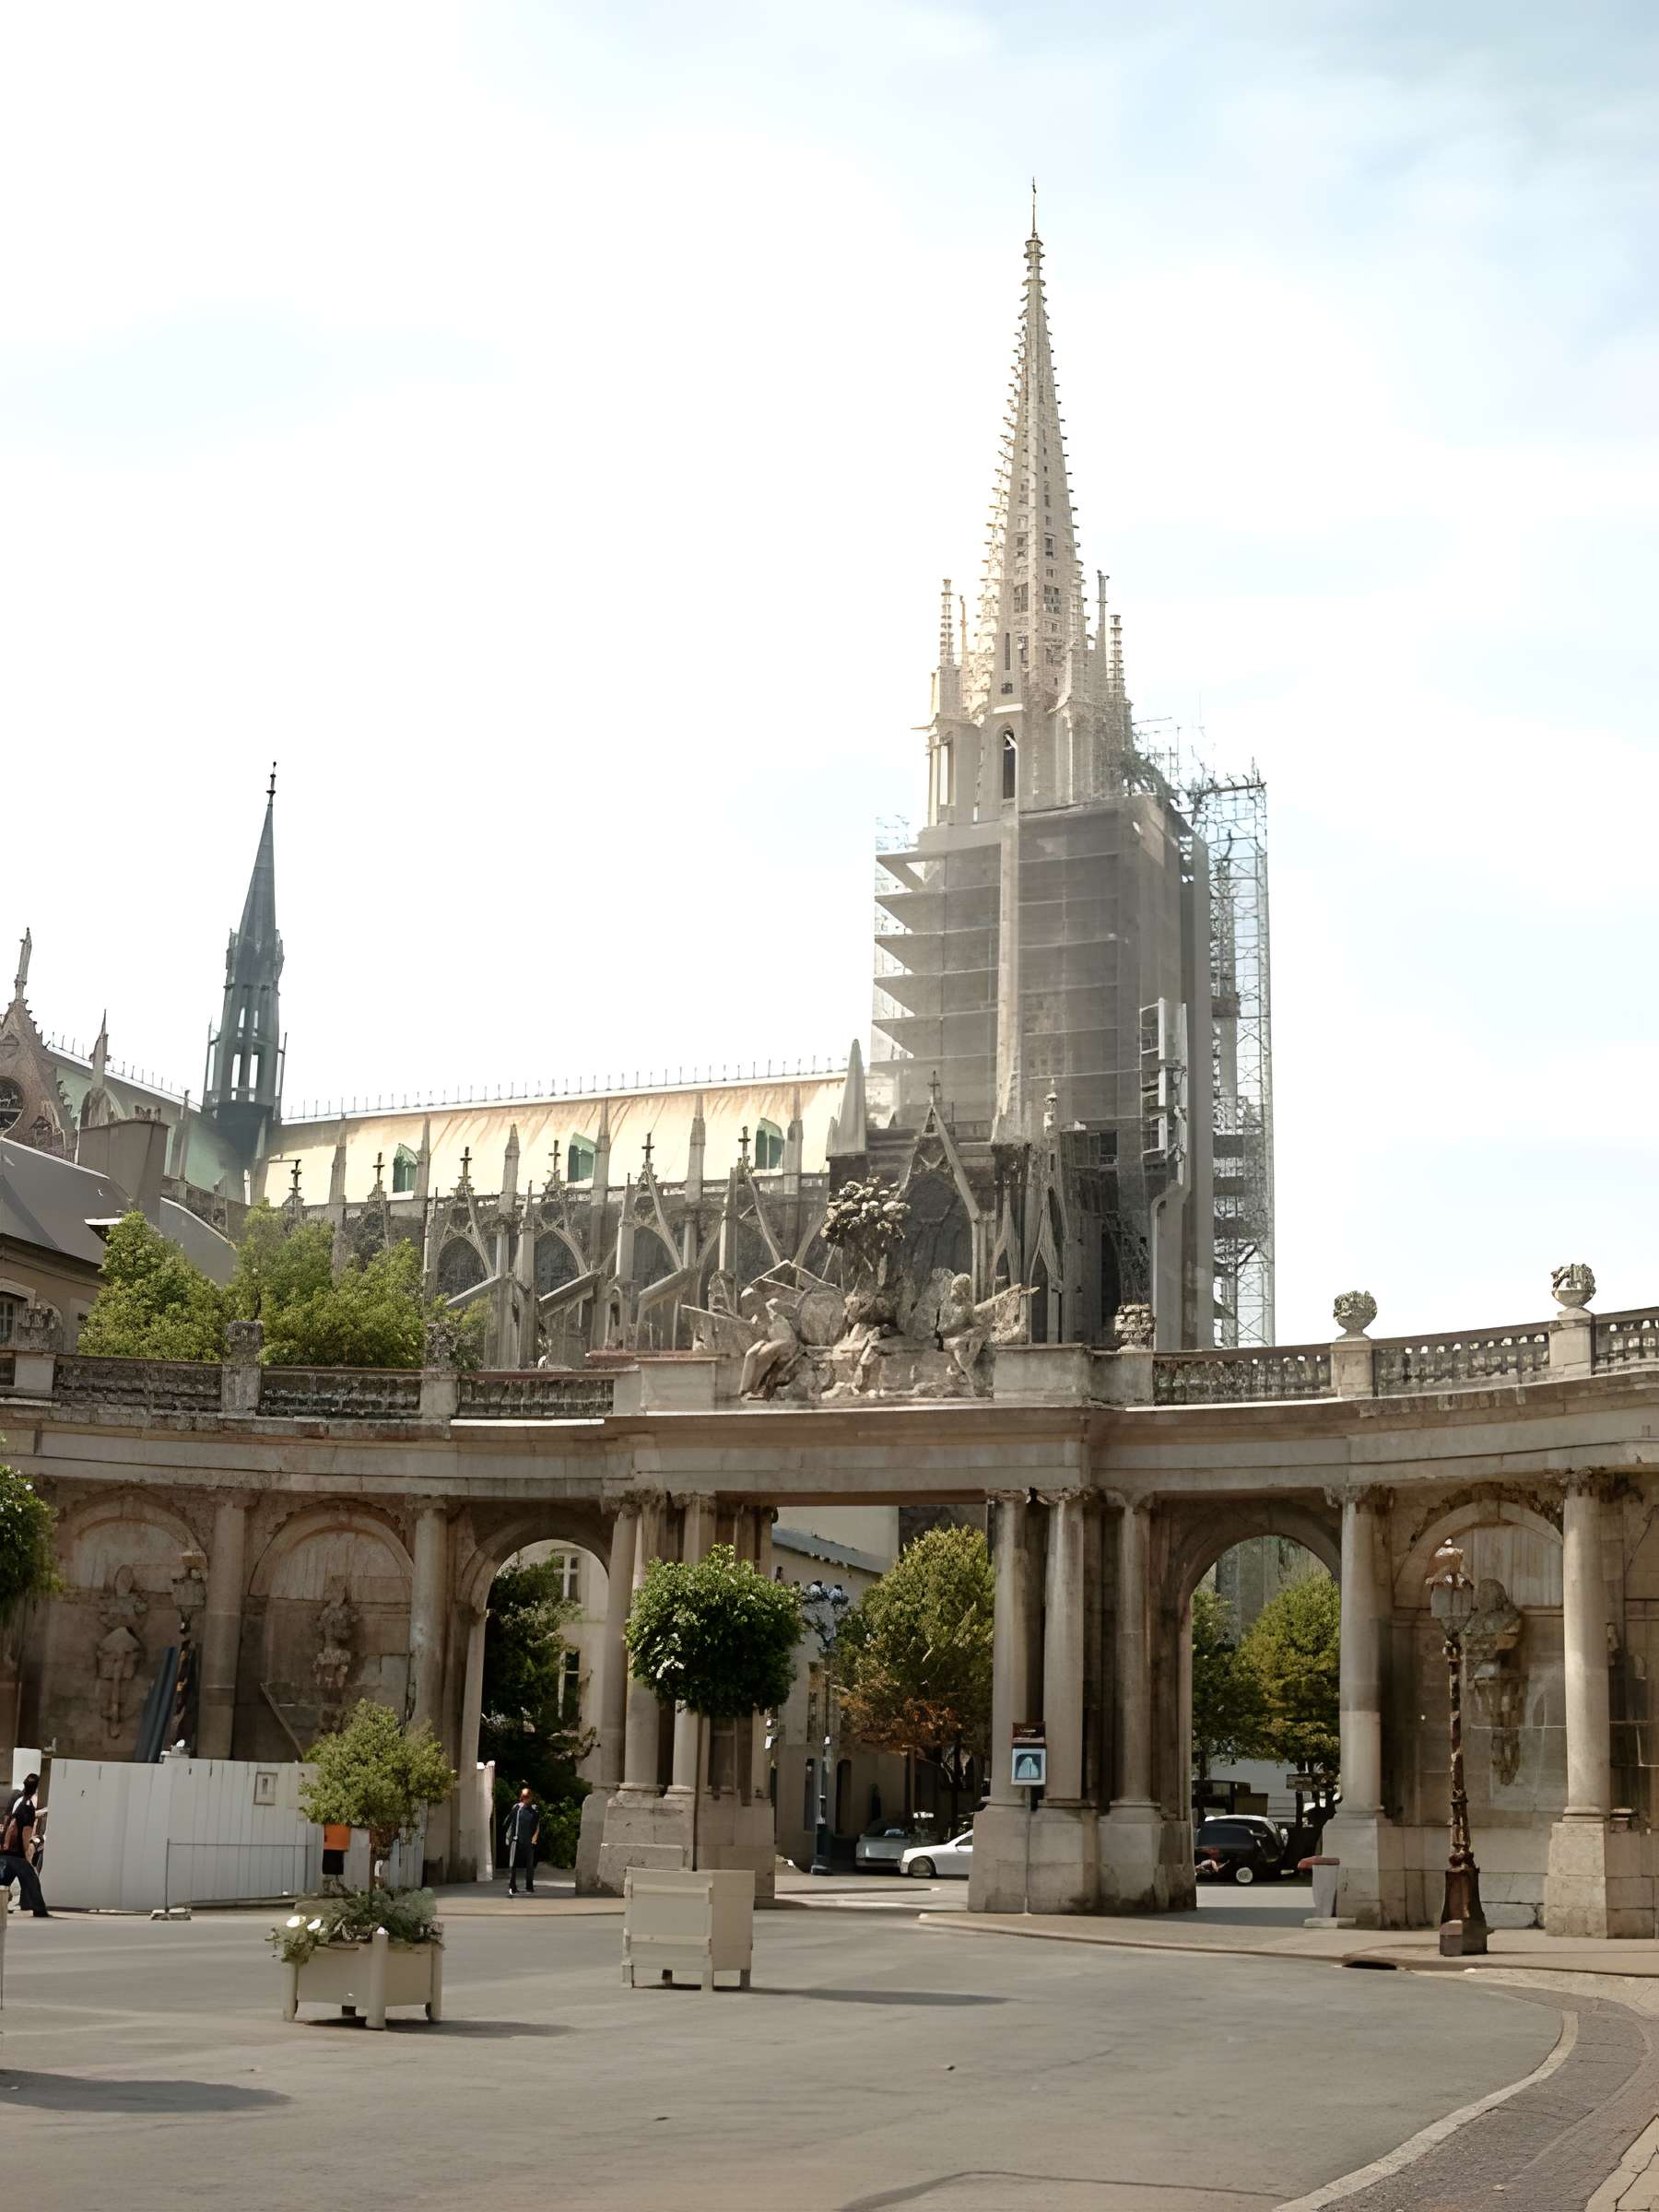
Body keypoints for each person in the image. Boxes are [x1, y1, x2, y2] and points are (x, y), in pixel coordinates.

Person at [3, 1772, 51, 1918]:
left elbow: (10, 1824)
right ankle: (39, 1909)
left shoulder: (19, 1801)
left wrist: (5, 1843)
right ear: (36, 1789)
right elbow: (24, 1830)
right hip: (17, 1851)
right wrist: (24, 1851)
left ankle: (27, 1905)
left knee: (5, 1878)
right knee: (32, 1879)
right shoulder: (28, 1806)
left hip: (10, 1850)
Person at [502, 1785, 540, 1896]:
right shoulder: (517, 1808)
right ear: (521, 1798)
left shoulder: (534, 1810)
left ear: (531, 1797)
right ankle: (512, 1886)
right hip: (516, 1840)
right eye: (524, 1797)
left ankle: (529, 1887)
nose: (526, 1799)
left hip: (528, 1841)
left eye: (528, 1797)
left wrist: (535, 1837)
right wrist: (508, 1837)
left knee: (529, 1865)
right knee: (513, 1864)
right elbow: (507, 1822)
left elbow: (537, 1825)